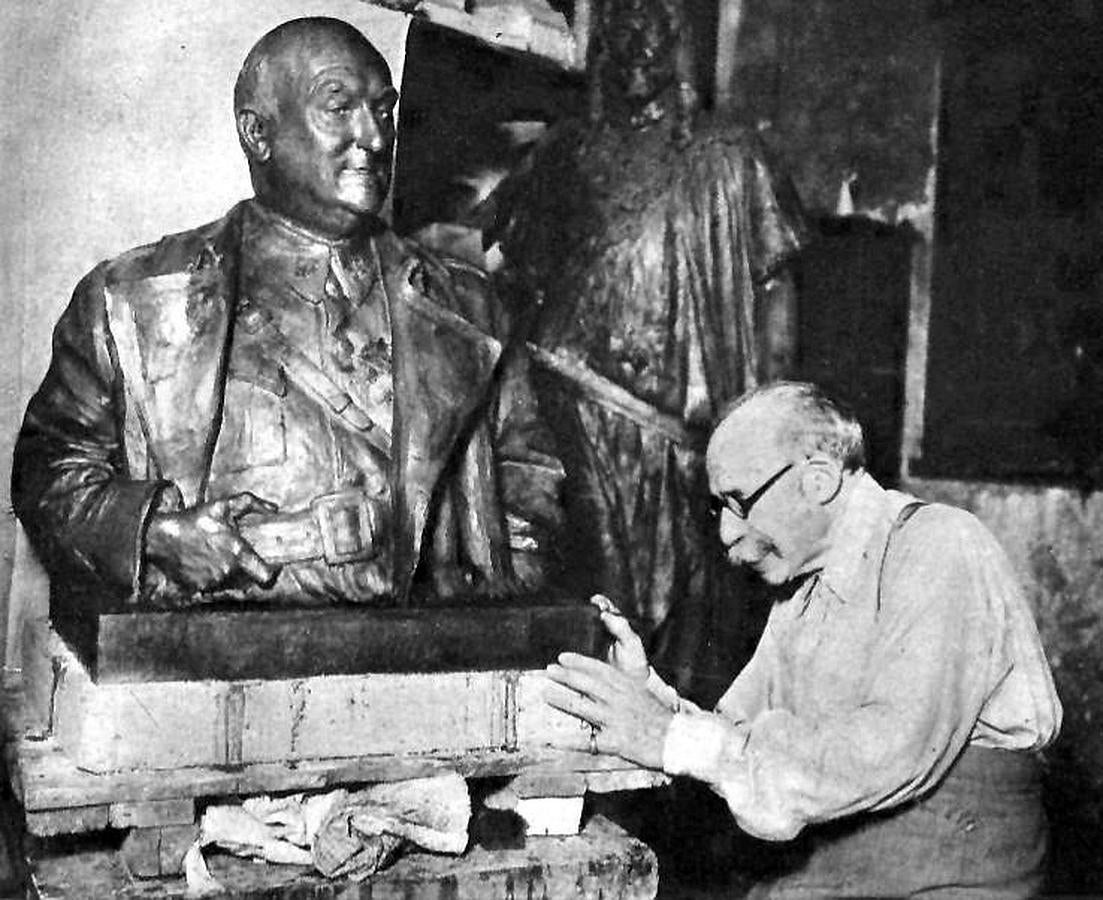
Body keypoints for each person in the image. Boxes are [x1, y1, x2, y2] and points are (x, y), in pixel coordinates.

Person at [11, 17, 564, 619]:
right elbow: (49, 473)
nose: (373, 137)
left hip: (425, 644)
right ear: (258, 133)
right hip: (215, 649)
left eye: (383, 111)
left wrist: (492, 582)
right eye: (339, 107)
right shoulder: (133, 302)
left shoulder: (470, 307)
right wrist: (154, 535)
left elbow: (530, 476)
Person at [545, 381, 1062, 898]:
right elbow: (737, 740)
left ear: (818, 479)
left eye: (739, 502)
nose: (727, 534)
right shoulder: (802, 592)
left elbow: (889, 752)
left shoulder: (941, 545)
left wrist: (671, 738)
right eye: (719, 509)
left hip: (953, 871)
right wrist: (648, 696)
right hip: (849, 860)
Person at [487, 0, 808, 699]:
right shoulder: (564, 155)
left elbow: (775, 290)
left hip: (686, 438)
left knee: (691, 632)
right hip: (571, 423)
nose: (637, 44)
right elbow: (515, 287)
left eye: (654, 27)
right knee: (589, 613)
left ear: (681, 41)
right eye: (622, 28)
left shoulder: (730, 157)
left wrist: (770, 426)